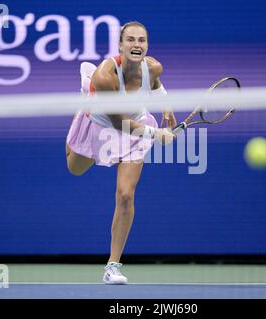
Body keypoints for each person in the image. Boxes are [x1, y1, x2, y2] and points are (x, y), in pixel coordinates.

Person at [65, 21, 177, 284]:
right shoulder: (105, 76)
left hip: (135, 128)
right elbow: (119, 123)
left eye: (141, 40)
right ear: (120, 45)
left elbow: (157, 84)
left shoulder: (153, 66)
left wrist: (166, 106)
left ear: (147, 45)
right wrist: (156, 134)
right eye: (130, 40)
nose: (136, 45)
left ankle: (112, 265)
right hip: (103, 127)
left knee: (125, 195)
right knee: (74, 168)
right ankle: (81, 108)